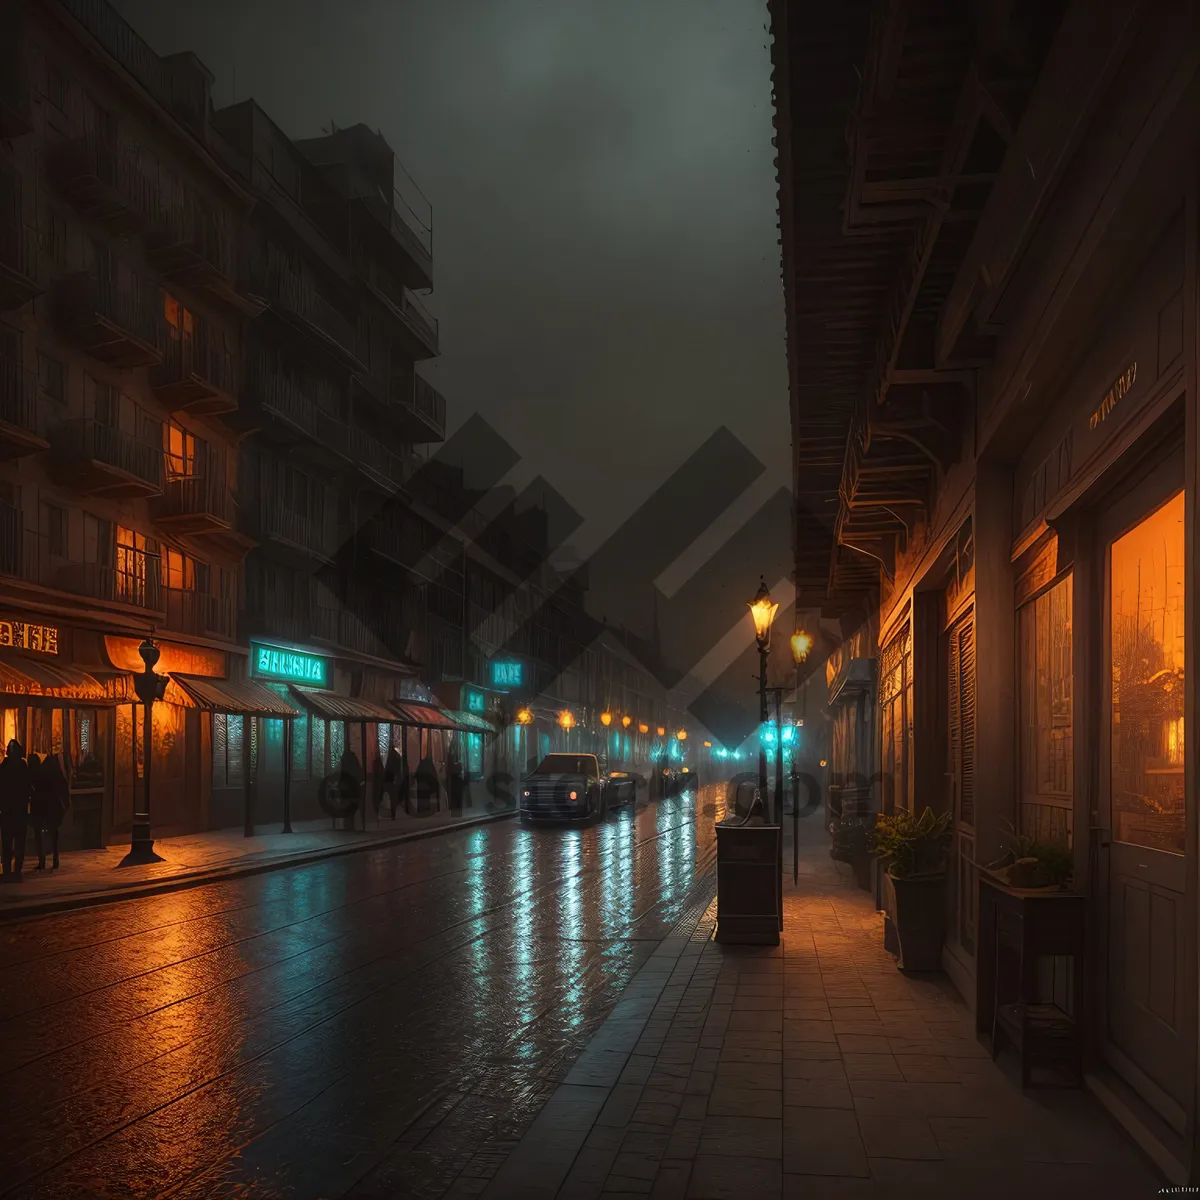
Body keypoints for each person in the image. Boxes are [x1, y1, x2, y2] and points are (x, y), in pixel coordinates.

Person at [0, 740, 31, 881]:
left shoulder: (5, 766)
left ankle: (9, 870)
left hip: (9, 811)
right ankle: (15, 871)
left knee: (8, 842)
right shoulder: (21, 766)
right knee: (17, 842)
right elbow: (27, 787)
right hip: (17, 810)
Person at [31, 752, 68, 870]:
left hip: (40, 805)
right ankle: (55, 858)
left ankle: (42, 860)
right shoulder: (55, 772)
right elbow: (62, 787)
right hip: (52, 805)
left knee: (39, 832)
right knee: (53, 833)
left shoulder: (37, 772)